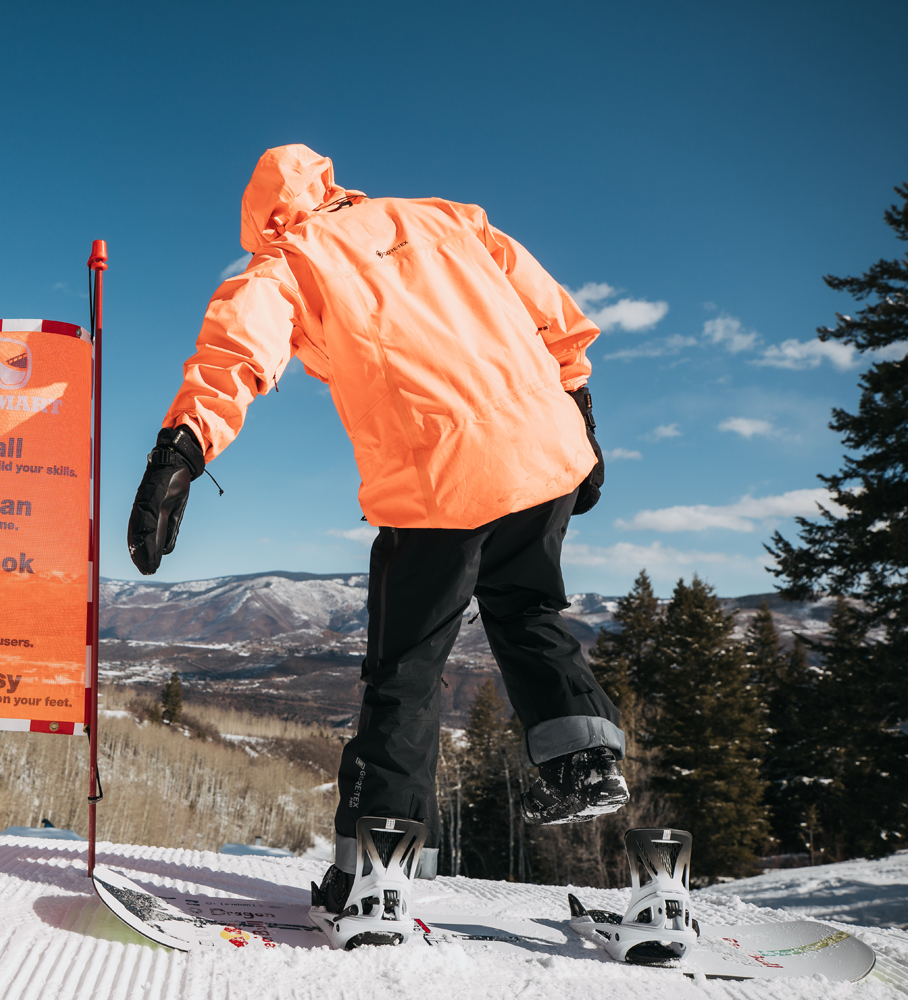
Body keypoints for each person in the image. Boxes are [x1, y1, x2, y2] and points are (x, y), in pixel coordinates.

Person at [126, 144, 628, 913]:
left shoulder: (288, 261)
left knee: (406, 669)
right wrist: (582, 416)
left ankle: (378, 865)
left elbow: (236, 354)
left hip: (438, 475)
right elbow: (554, 314)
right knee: (528, 609)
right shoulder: (447, 218)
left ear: (265, 218)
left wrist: (180, 449)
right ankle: (586, 761)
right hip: (544, 451)